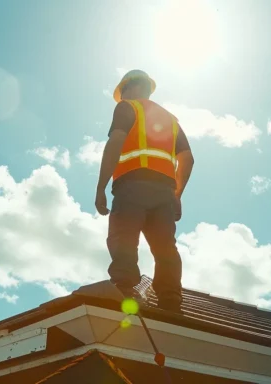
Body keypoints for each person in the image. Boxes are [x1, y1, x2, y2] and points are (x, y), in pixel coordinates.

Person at [95, 69, 194, 312]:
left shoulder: (127, 108)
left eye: (124, 91)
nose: (123, 96)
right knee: (165, 247)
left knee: (124, 236)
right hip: (164, 191)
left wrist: (101, 187)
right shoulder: (171, 119)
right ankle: (170, 298)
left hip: (132, 185)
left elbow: (115, 142)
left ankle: (124, 287)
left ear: (129, 87)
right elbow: (188, 159)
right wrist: (177, 195)